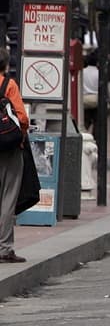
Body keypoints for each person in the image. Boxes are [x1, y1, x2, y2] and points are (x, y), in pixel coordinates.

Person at [0, 47, 31, 263]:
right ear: (6, 65)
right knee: (7, 199)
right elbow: (22, 118)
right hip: (9, 150)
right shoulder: (8, 85)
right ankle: (4, 248)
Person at [82, 51, 100, 130]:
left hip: (84, 99)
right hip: (96, 99)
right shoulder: (99, 73)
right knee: (97, 122)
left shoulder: (82, 72)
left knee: (85, 121)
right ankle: (96, 139)